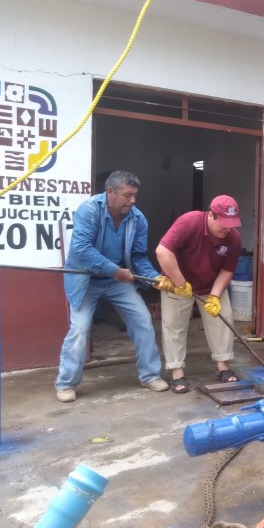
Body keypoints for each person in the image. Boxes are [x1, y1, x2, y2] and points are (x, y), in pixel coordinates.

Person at [55, 170, 172, 402]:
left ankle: (150, 375)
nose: (133, 201)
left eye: (135, 195)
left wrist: (155, 278)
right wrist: (115, 271)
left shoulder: (138, 218)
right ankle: (66, 382)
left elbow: (138, 256)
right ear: (110, 192)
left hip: (116, 281)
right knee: (79, 330)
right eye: (127, 195)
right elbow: (82, 250)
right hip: (85, 279)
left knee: (143, 322)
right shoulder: (89, 210)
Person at [156, 196, 243, 393]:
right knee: (174, 324)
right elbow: (163, 251)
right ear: (211, 215)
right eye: (224, 225)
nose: (228, 229)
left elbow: (227, 270)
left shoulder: (234, 238)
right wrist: (180, 283)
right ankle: (177, 372)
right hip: (178, 281)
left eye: (232, 225)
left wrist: (214, 295)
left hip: (210, 284)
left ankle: (223, 365)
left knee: (223, 319)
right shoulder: (189, 222)